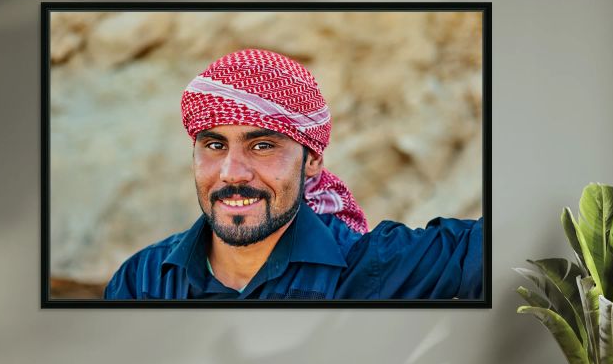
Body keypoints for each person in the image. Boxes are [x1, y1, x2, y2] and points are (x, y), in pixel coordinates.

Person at [104, 48, 483, 301]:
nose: (232, 173)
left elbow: (504, 242)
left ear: (313, 160)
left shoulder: (371, 269)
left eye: (262, 146)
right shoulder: (142, 281)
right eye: (215, 145)